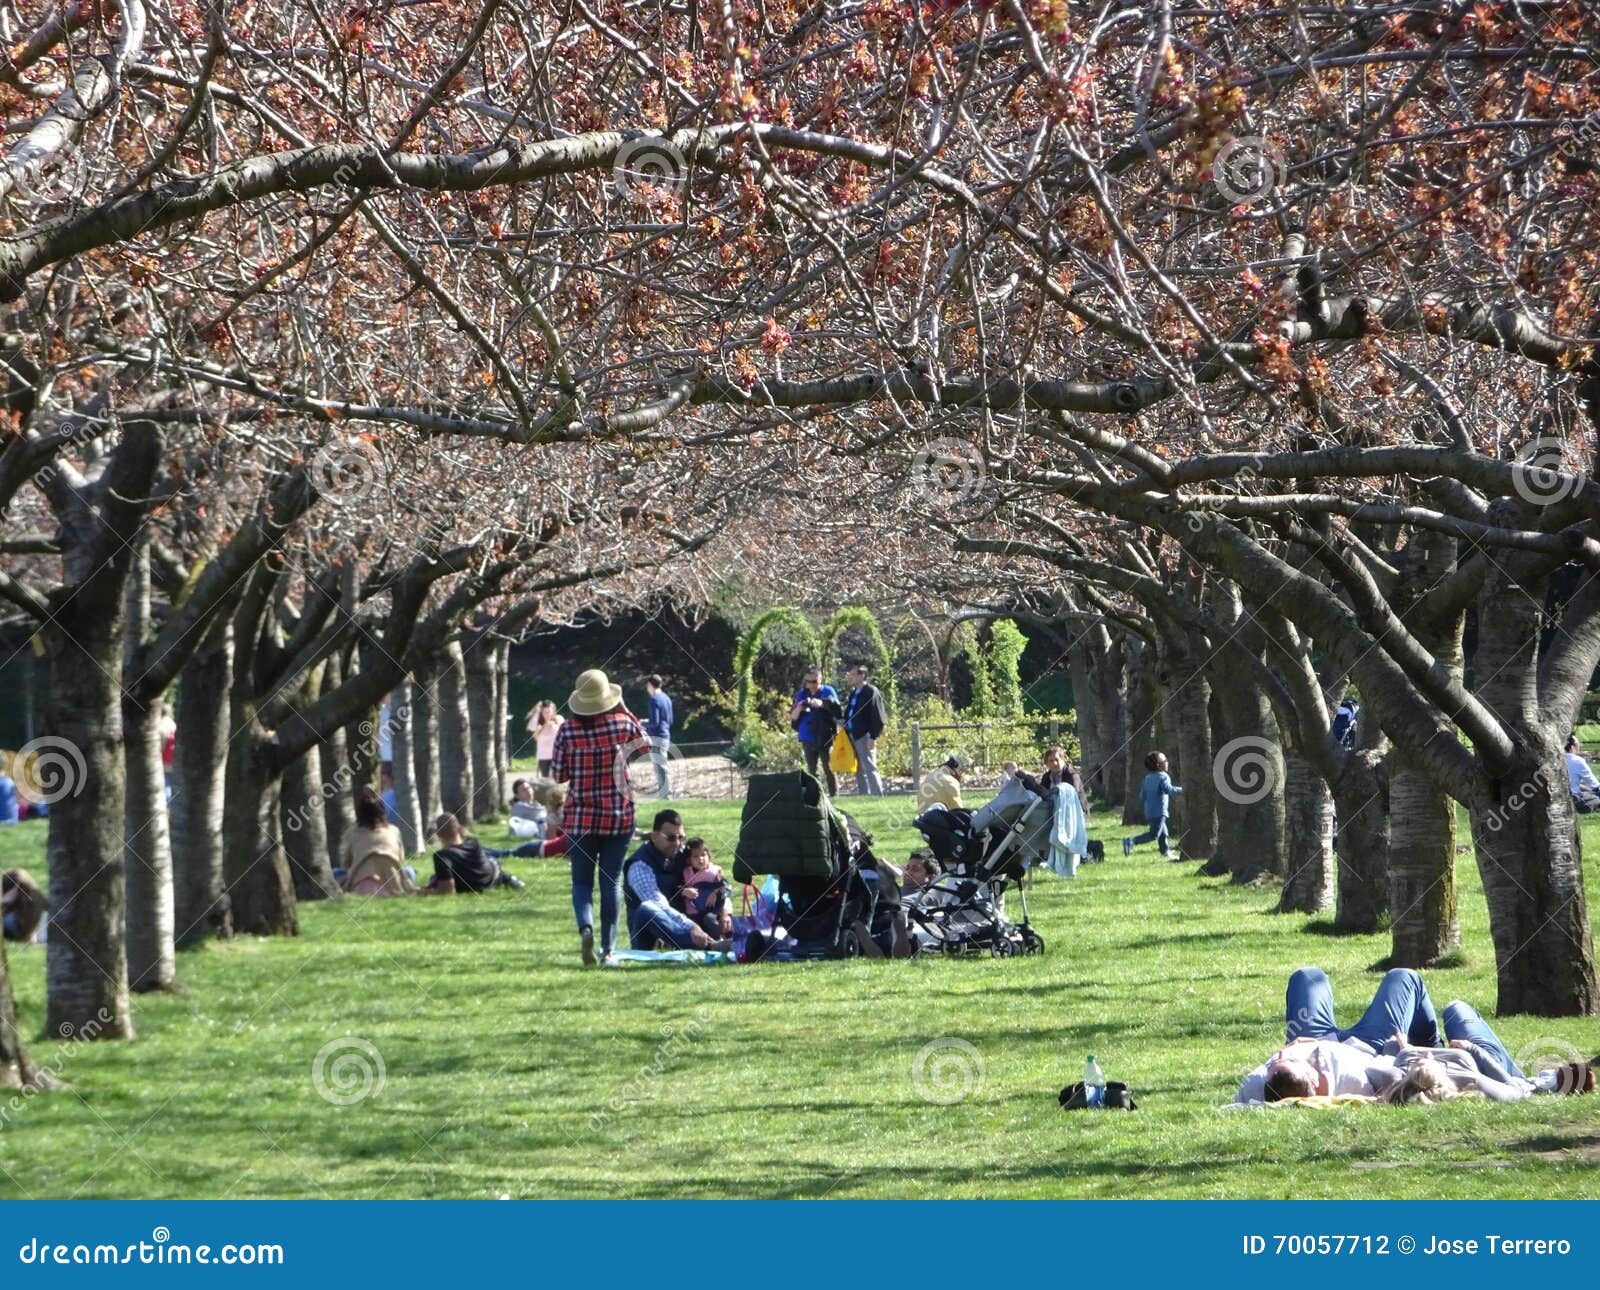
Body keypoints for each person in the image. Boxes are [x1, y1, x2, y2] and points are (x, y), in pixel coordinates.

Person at [552, 669, 646, 966]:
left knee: (581, 883)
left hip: (580, 817)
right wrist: (627, 712)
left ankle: (585, 928)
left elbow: (558, 774)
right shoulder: (621, 725)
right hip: (618, 816)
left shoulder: (567, 730)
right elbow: (646, 746)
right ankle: (608, 950)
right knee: (611, 880)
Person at [623, 809, 724, 950]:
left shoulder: (683, 855)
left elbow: (715, 877)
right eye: (671, 838)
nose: (677, 843)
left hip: (687, 922)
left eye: (681, 838)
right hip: (649, 935)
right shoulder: (639, 866)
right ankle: (708, 946)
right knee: (648, 908)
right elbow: (658, 904)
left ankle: (721, 940)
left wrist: (725, 911)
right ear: (654, 836)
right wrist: (692, 927)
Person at [419, 812, 528, 895]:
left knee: (434, 877)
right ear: (458, 829)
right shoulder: (473, 844)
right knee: (493, 862)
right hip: (492, 879)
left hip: (474, 885)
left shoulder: (442, 856)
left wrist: (424, 891)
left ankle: (508, 878)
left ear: (438, 834)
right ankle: (510, 879)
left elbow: (448, 891)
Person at [338, 786, 416, 897]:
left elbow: (346, 864)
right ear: (382, 812)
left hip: (360, 882)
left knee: (336, 872)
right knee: (409, 871)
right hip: (393, 882)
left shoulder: (351, 832)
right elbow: (401, 860)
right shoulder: (394, 830)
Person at [789, 667, 843, 795]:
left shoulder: (828, 691)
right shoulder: (802, 694)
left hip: (825, 735)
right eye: (808, 681)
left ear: (820, 679)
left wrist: (822, 704)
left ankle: (834, 795)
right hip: (807, 736)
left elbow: (837, 711)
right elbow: (793, 717)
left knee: (828, 767)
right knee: (812, 770)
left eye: (814, 681)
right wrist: (800, 707)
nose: (811, 685)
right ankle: (816, 796)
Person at [1123, 751, 1181, 857]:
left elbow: (1142, 796)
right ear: (1158, 765)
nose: (1167, 762)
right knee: (1154, 835)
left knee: (1164, 833)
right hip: (1159, 811)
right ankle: (1131, 841)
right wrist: (1183, 789)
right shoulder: (1163, 776)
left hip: (1149, 811)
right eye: (1165, 760)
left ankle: (1165, 852)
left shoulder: (1147, 778)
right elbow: (1168, 789)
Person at [842, 664, 887, 796]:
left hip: (865, 736)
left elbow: (878, 716)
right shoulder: (854, 693)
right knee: (858, 768)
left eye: (853, 674)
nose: (850, 677)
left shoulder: (871, 691)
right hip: (853, 735)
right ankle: (864, 795)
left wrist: (873, 737)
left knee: (869, 766)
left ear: (862, 675)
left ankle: (877, 795)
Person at [675, 837, 732, 938]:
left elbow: (726, 887)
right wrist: (684, 891)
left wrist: (716, 892)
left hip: (712, 911)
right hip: (692, 913)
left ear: (709, 856)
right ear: (689, 860)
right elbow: (676, 887)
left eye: (703, 855)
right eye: (695, 856)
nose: (700, 859)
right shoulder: (686, 873)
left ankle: (720, 940)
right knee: (689, 926)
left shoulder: (714, 872)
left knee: (710, 920)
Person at [644, 674, 674, 799]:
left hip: (657, 736)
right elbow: (670, 720)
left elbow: (654, 722)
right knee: (663, 764)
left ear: (650, 685)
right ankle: (666, 794)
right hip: (665, 734)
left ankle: (667, 795)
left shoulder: (654, 699)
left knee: (660, 767)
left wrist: (643, 723)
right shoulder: (666, 698)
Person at [2, 867, 46, 941]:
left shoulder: (16, 889)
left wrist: (4, 900)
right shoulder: (33, 892)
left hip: (19, 928)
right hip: (25, 930)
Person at [1565, 735, 1600, 813]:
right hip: (1573, 799)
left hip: (1558, 796)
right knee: (1597, 798)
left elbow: (1570, 784)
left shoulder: (1554, 759)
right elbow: (1595, 785)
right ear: (1572, 747)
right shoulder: (1577, 760)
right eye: (1578, 744)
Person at [530, 700, 564, 777]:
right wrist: (537, 712)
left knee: (557, 778)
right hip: (543, 756)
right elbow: (535, 737)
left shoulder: (559, 719)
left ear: (553, 711)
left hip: (557, 755)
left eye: (549, 712)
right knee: (545, 779)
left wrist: (554, 727)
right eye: (545, 712)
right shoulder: (538, 723)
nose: (547, 714)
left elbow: (563, 736)